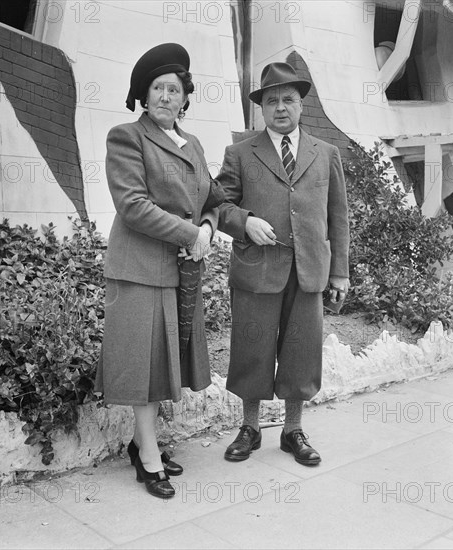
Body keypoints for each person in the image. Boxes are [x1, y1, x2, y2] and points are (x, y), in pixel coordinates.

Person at [94, 43, 219, 498]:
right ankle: (148, 457)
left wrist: (206, 225)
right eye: (158, 89)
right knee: (144, 367)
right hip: (140, 269)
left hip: (180, 271)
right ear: (144, 97)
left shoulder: (194, 144)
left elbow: (214, 198)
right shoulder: (126, 137)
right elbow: (132, 206)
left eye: (175, 89)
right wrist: (191, 235)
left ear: (185, 97)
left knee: (165, 364)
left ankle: (141, 442)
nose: (167, 96)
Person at [217, 62, 350, 466]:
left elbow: (338, 215)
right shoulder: (240, 153)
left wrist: (340, 272)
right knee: (252, 348)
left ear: (300, 104)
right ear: (262, 107)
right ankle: (251, 428)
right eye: (271, 100)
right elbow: (218, 205)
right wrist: (245, 222)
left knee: (302, 351)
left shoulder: (326, 154)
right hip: (258, 267)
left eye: (288, 99)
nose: (280, 107)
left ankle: (293, 431)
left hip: (309, 269)